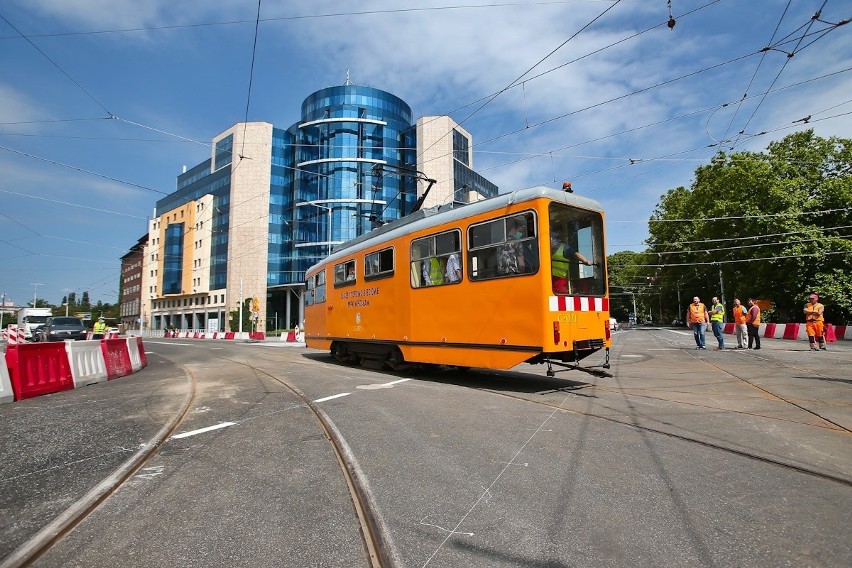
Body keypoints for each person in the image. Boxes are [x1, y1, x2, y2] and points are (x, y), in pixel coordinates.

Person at [550, 225, 593, 294]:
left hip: (559, 279)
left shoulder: (564, 248)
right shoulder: (544, 248)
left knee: (560, 295)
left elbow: (575, 254)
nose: (552, 238)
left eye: (554, 236)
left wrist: (585, 261)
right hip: (545, 278)